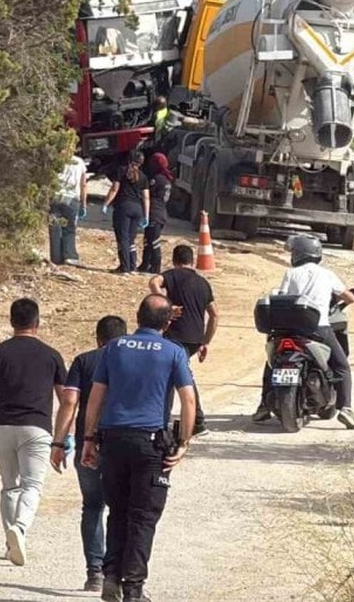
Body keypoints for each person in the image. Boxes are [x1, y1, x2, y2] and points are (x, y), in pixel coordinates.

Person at [80, 295, 197, 602]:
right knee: (143, 515)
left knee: (117, 510)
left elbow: (95, 397)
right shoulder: (174, 351)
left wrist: (89, 440)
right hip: (149, 443)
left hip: (113, 440)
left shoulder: (114, 348)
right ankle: (133, 587)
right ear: (169, 320)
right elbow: (188, 400)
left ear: (137, 316)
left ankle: (111, 577)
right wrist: (184, 442)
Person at [0, 298, 69, 567]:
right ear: (37, 322)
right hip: (37, 427)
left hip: (3, 426)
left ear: (11, 322)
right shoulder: (52, 355)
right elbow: (66, 399)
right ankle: (20, 529)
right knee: (32, 485)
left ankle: (10, 543)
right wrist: (65, 434)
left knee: (10, 486)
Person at [51, 315, 129, 592]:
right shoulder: (130, 361)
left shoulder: (84, 361)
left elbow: (69, 401)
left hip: (88, 443)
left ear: (98, 338)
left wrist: (59, 442)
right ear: (125, 338)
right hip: (123, 443)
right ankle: (117, 573)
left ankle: (94, 572)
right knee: (123, 509)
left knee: (93, 506)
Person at [252, 235, 354, 430]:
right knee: (342, 365)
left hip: (288, 328)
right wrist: (346, 297)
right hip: (318, 328)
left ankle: (262, 407)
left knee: (272, 363)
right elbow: (350, 298)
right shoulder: (327, 274)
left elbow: (284, 296)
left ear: (298, 254)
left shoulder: (291, 273)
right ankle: (346, 409)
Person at [149, 244, 217, 435]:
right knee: (177, 374)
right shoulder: (203, 283)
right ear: (192, 261)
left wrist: (166, 306)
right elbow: (214, 315)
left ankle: (195, 420)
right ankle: (186, 420)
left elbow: (154, 282)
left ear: (174, 260)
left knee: (177, 376)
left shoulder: (172, 275)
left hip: (176, 336)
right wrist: (206, 341)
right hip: (195, 339)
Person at [101, 149, 150, 274]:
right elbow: (146, 197)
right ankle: (133, 266)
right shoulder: (143, 177)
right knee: (131, 239)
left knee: (122, 238)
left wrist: (106, 203)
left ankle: (124, 267)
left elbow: (114, 190)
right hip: (137, 209)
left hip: (123, 207)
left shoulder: (122, 171)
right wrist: (146, 215)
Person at [50, 151, 89, 266]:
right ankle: (69, 255)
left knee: (54, 228)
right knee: (69, 228)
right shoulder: (79, 162)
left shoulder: (55, 160)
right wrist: (84, 203)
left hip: (55, 197)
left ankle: (56, 258)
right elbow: (83, 184)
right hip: (71, 199)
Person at [137, 152, 173, 274]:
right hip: (161, 212)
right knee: (147, 240)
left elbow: (147, 194)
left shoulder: (157, 179)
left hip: (154, 213)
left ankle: (155, 266)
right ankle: (145, 264)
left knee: (154, 241)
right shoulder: (167, 179)